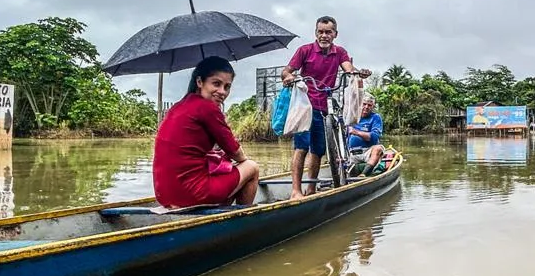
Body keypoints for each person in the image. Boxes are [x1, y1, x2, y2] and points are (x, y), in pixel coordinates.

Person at [281, 16, 371, 198]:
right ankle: (296, 190)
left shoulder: (340, 52)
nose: (324, 36)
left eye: (328, 32)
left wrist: (359, 72)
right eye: (320, 32)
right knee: (301, 147)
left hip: (325, 107)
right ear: (316, 33)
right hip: (305, 106)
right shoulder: (304, 51)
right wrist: (288, 77)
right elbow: (286, 71)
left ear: (335, 34)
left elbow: (349, 68)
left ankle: (312, 188)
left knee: (318, 150)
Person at [153, 56, 260, 208]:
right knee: (251, 167)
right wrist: (241, 162)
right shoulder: (207, 108)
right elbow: (237, 153)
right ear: (199, 82)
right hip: (190, 193)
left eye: (227, 86)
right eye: (216, 84)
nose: (222, 92)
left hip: (164, 194)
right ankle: (241, 219)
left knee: (224, 169)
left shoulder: (178, 106)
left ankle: (221, 212)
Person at [346, 93, 384, 176]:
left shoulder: (376, 117)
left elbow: (374, 137)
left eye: (369, 105)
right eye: (364, 104)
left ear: (373, 107)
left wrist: (356, 132)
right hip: (351, 152)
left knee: (378, 148)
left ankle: (364, 174)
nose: (366, 107)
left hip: (367, 151)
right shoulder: (352, 117)